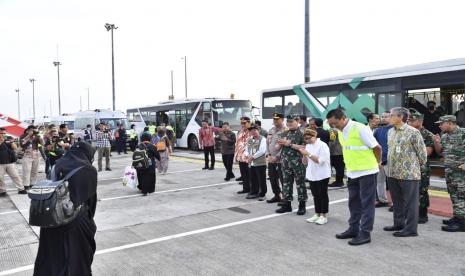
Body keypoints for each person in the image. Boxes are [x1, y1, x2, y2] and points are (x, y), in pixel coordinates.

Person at [33, 142, 98, 276]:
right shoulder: (88, 169)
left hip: (51, 217)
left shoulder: (58, 164)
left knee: (52, 255)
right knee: (75, 256)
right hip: (75, 221)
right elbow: (91, 200)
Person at [326, 109, 381, 246]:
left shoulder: (360, 128)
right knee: (353, 202)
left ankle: (365, 233)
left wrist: (378, 163)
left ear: (343, 118)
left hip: (367, 171)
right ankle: (353, 228)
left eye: (335, 123)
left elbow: (377, 148)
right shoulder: (340, 131)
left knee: (366, 204)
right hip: (352, 172)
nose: (334, 126)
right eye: (331, 124)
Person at [384, 107, 427, 238]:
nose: (388, 118)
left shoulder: (413, 132)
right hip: (392, 172)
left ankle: (411, 229)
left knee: (411, 203)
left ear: (401, 117)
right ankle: (398, 223)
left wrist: (415, 167)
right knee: (397, 201)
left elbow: (422, 154)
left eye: (391, 115)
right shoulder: (390, 131)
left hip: (408, 173)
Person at [433, 115, 465, 232]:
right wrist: (437, 142)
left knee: (461, 196)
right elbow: (440, 152)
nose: (440, 126)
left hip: (461, 173)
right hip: (450, 171)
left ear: (450, 123)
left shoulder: (462, 133)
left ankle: (462, 224)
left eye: (441, 124)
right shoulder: (445, 136)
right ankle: (457, 217)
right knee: (454, 196)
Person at [275, 115, 307, 215]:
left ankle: (302, 206)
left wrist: (289, 144)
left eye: (291, 123)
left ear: (297, 122)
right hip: (285, 163)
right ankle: (287, 205)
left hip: (298, 163)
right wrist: (280, 144)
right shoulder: (284, 133)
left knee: (300, 184)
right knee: (286, 184)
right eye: (288, 123)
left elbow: (305, 147)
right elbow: (277, 148)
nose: (289, 125)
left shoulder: (302, 133)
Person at [299, 129, 331, 225]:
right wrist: (304, 155)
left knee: (323, 195)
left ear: (314, 136)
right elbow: (305, 162)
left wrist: (308, 154)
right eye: (305, 139)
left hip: (322, 174)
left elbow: (321, 161)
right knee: (315, 195)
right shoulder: (308, 146)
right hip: (312, 174)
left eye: (308, 138)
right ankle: (317, 214)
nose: (307, 141)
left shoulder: (323, 145)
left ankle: (323, 215)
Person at [408, 111, 434, 223]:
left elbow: (428, 152)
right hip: (409, 167)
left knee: (422, 191)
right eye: (409, 120)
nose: (409, 122)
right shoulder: (408, 133)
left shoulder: (427, 134)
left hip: (422, 168)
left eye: (412, 121)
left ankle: (423, 214)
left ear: (420, 121)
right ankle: (412, 213)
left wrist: (409, 152)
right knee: (410, 191)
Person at [373, 111, 393, 208]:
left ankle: (395, 203)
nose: (384, 118)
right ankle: (382, 200)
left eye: (386, 116)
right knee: (380, 182)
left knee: (393, 183)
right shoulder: (377, 131)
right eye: (382, 116)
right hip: (380, 160)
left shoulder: (394, 129)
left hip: (391, 160)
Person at [0, 128, 26, 195]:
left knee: (15, 176)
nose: (3, 134)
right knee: (0, 178)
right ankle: (2, 191)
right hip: (0, 163)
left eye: (4, 133)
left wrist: (12, 142)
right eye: (1, 133)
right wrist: (1, 141)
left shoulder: (9, 138)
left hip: (10, 161)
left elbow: (15, 148)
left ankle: (21, 189)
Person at [266, 113, 285, 203]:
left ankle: (285, 197)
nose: (275, 121)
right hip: (271, 159)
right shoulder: (271, 130)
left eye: (277, 119)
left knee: (283, 180)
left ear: (282, 120)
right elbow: (267, 143)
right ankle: (277, 195)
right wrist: (268, 154)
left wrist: (277, 157)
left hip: (281, 160)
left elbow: (285, 147)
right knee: (273, 178)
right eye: (274, 119)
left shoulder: (286, 131)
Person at [244, 124, 267, 200]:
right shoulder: (250, 140)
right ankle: (254, 192)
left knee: (261, 179)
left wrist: (252, 157)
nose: (253, 132)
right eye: (251, 131)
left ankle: (262, 194)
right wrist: (247, 155)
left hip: (260, 163)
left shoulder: (262, 139)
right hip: (251, 163)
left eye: (255, 130)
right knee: (253, 178)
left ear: (258, 131)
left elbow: (262, 151)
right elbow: (246, 150)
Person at [235, 117, 252, 194]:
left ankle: (252, 190)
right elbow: (237, 144)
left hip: (248, 157)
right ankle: (245, 188)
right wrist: (236, 155)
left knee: (250, 175)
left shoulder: (252, 131)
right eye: (241, 123)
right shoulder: (240, 131)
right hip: (241, 156)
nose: (243, 125)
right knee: (243, 174)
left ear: (249, 122)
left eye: (244, 123)